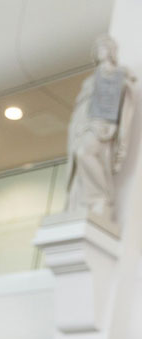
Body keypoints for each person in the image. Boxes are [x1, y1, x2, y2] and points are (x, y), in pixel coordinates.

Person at [66, 34, 135, 223]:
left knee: (83, 153)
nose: (101, 51)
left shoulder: (119, 75)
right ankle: (91, 198)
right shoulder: (90, 80)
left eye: (105, 47)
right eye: (99, 48)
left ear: (112, 51)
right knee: (81, 153)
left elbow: (121, 99)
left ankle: (101, 197)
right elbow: (82, 106)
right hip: (86, 125)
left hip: (103, 126)